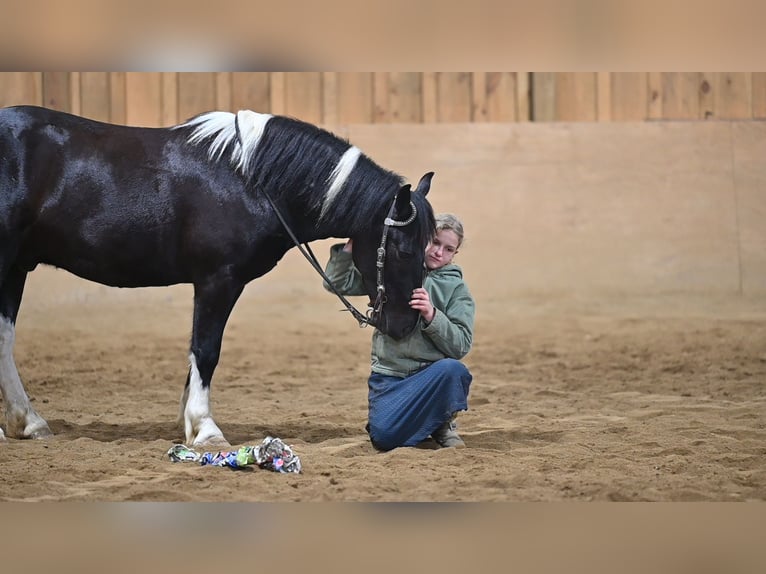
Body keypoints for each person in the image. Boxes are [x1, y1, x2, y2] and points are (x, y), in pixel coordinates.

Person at [324, 213, 475, 451]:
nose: (438, 252)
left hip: (429, 376)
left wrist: (432, 315)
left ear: (454, 254)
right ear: (422, 238)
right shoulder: (391, 269)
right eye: (435, 242)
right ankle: (401, 421)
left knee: (453, 370)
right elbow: (336, 282)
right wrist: (351, 247)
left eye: (448, 249)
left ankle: (441, 425)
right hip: (389, 376)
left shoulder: (456, 288)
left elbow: (461, 345)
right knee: (384, 439)